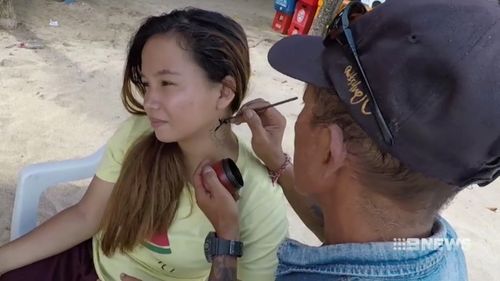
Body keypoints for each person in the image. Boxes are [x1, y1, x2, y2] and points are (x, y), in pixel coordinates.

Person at [119, 0, 497, 280]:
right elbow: (360, 236)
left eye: (305, 107)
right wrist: (280, 165)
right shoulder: (440, 251)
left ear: (330, 150)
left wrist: (225, 239)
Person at [0, 8, 288, 281]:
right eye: (146, 84)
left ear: (224, 92)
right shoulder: (139, 132)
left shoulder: (259, 201)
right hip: (87, 263)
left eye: (167, 83)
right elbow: (86, 216)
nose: (149, 102)